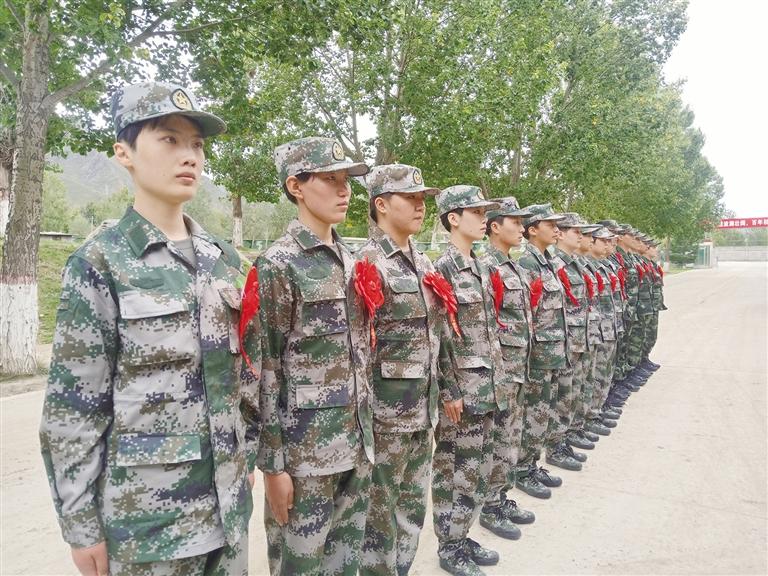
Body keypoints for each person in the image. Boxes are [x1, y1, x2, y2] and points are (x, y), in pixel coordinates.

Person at [40, 81, 259, 576]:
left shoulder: (223, 259)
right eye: (169, 140)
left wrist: (248, 458)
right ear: (125, 153)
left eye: (196, 145)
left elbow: (245, 377)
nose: (190, 156)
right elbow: (73, 409)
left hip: (228, 515)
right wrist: (80, 525)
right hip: (147, 526)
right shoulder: (100, 262)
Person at [256, 136, 375, 576]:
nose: (344, 190)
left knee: (346, 563)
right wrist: (273, 467)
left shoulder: (352, 260)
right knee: (299, 565)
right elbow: (265, 369)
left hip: (356, 444)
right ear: (296, 186)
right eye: (330, 179)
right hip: (305, 456)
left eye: (347, 180)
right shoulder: (278, 264)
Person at [356, 164, 446, 576]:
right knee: (379, 514)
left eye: (422, 198)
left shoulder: (424, 263)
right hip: (385, 418)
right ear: (381, 204)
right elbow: (357, 349)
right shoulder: (365, 264)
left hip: (423, 411)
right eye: (409, 198)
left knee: (411, 509)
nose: (419, 205)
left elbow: (437, 336)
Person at [431, 185, 509, 576]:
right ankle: (449, 545)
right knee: (454, 470)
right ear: (453, 218)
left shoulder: (479, 265)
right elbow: (441, 335)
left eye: (484, 212)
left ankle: (461, 535)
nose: (483, 219)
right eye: (476, 212)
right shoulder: (442, 268)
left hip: (488, 386)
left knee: (477, 469)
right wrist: (449, 389)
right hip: (462, 392)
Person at [477, 197, 537, 541]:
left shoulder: (511, 266)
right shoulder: (487, 266)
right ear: (495, 226)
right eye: (515, 222)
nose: (521, 228)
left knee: (510, 437)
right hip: (500, 371)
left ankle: (500, 497)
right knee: (497, 440)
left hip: (518, 367)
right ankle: (490, 505)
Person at [514, 203, 568, 499]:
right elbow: (526, 315)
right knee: (532, 415)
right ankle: (522, 469)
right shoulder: (527, 264)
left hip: (552, 352)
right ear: (532, 230)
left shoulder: (548, 262)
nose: (556, 229)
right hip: (536, 355)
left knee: (543, 412)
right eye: (550, 225)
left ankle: (532, 465)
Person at [547, 213, 597, 470]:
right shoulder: (554, 264)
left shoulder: (574, 263)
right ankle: (555, 446)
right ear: (561, 233)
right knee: (562, 396)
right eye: (575, 231)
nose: (581, 236)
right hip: (561, 342)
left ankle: (566, 437)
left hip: (577, 339)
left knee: (573, 391)